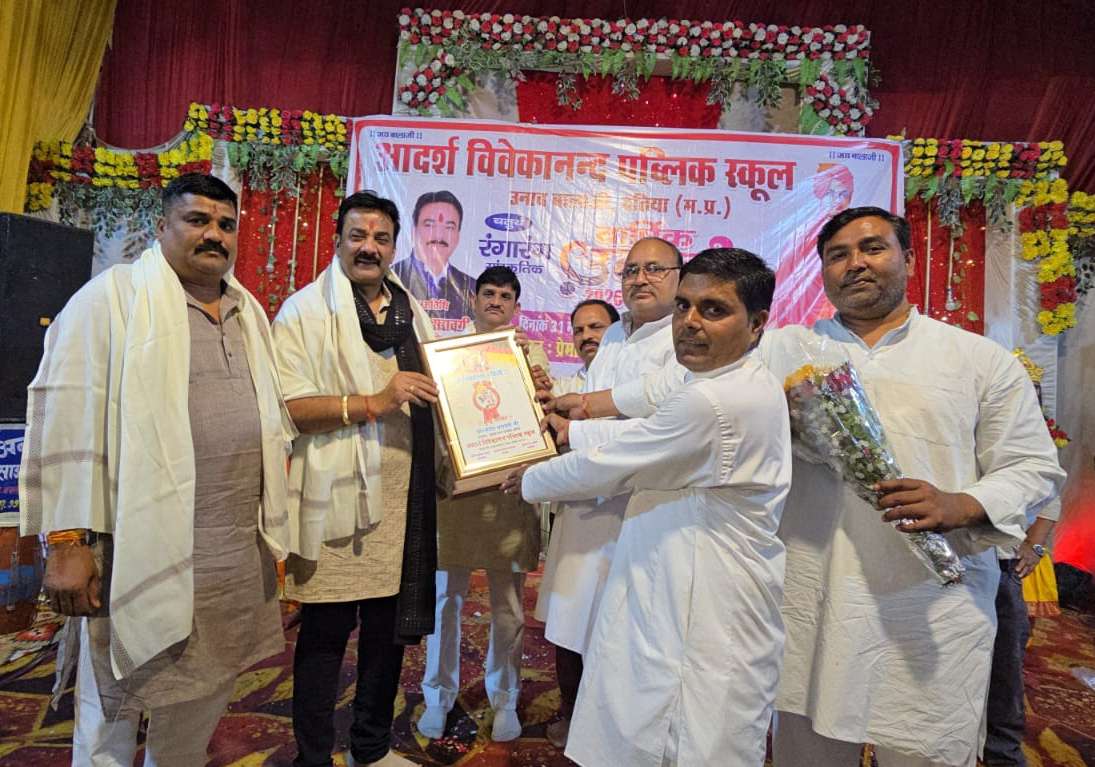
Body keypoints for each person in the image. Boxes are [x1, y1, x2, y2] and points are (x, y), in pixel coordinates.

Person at [585, 207, 1067, 766]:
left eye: (873, 248)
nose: (855, 263)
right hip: (808, 598)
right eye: (838, 255)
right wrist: (581, 408)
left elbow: (1032, 466)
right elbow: (674, 385)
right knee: (805, 746)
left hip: (929, 610)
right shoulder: (779, 350)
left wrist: (963, 503)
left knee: (922, 745)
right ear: (822, 272)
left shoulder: (980, 360)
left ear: (909, 259)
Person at [20, 173, 294, 766]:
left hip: (228, 554)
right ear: (161, 225)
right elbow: (66, 419)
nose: (214, 235)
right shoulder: (111, 301)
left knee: (203, 696)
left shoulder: (248, 312)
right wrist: (66, 543)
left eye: (225, 224)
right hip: (131, 551)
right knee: (112, 711)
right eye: (197, 220)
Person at [503, 247, 792, 767]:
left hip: (703, 603)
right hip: (671, 573)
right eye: (684, 306)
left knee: (688, 735)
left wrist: (530, 477)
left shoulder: (714, 401)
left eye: (714, 309)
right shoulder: (719, 376)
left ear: (757, 325)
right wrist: (585, 404)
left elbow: (617, 461)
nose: (690, 322)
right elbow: (652, 390)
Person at [272, 191, 440, 767]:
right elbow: (287, 408)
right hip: (334, 502)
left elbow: (442, 388)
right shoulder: (303, 312)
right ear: (338, 240)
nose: (369, 248)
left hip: (403, 499)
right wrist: (373, 402)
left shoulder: (411, 313)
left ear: (394, 247)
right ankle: (313, 757)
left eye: (381, 238)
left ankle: (370, 748)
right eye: (358, 236)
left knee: (387, 640)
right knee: (325, 635)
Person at [536, 237, 680, 749]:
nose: (641, 279)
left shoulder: (683, 338)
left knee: (627, 633)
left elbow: (662, 430)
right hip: (584, 505)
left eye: (654, 269)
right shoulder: (616, 332)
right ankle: (575, 720)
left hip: (639, 511)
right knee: (570, 620)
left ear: (680, 277)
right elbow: (587, 403)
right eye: (631, 270)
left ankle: (620, 738)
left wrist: (573, 432)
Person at [416, 265, 547, 743]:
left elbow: (543, 420)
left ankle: (505, 697)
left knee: (508, 606)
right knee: (444, 600)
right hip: (457, 493)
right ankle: (438, 695)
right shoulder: (448, 355)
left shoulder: (530, 354)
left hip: (509, 495)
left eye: (505, 296)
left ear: (516, 306)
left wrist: (537, 386)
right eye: (488, 293)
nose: (495, 301)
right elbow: (435, 422)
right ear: (473, 300)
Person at [391, 190, 478, 330]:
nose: (439, 235)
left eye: (449, 227)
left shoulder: (472, 288)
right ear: (413, 231)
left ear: (458, 236)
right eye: (429, 225)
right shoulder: (391, 279)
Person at [550, 299, 619, 395]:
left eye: (595, 327)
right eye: (578, 331)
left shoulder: (634, 379)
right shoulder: (562, 389)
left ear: (617, 330)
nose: (585, 336)